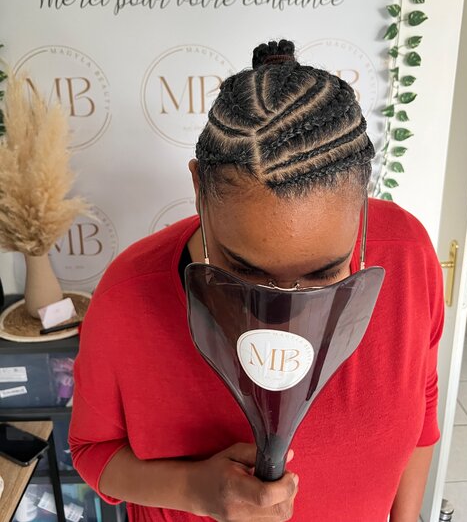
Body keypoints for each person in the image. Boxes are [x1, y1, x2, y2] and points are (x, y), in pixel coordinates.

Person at [69, 39, 444, 522]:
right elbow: (92, 450)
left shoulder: (409, 259)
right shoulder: (129, 296)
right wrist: (194, 491)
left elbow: (423, 408)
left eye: (324, 272)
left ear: (361, 196)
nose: (283, 308)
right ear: (199, 189)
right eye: (245, 271)